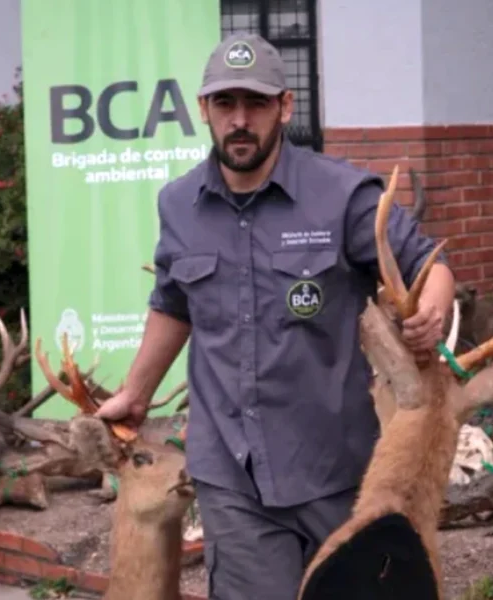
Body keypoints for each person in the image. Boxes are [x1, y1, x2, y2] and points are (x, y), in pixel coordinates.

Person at [96, 32, 456, 599]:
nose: (240, 120)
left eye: (256, 104)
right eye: (225, 104)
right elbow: (172, 302)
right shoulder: (178, 204)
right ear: (204, 111)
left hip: (336, 472)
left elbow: (430, 265)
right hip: (231, 474)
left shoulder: (343, 196)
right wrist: (136, 393)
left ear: (285, 107)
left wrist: (432, 309)